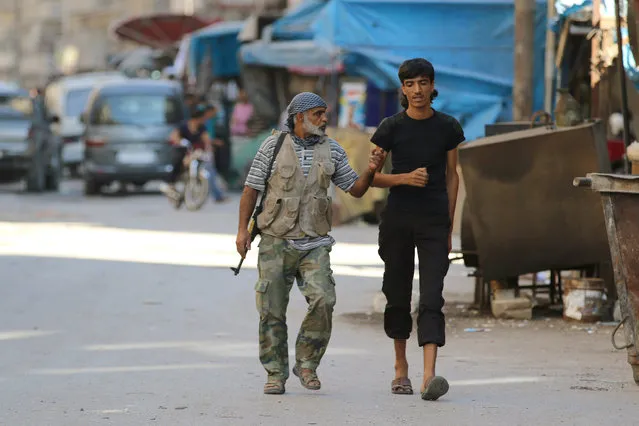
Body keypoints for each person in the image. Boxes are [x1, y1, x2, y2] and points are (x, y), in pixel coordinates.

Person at [236, 92, 384, 395]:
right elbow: (250, 189)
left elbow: (354, 189)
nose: (324, 119)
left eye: (324, 113)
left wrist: (371, 169)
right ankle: (275, 373)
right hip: (276, 241)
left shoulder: (333, 150)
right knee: (271, 309)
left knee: (324, 300)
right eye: (317, 113)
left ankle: (307, 363)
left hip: (315, 242)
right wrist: (242, 232)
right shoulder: (273, 146)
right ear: (298, 117)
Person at [369, 58, 465, 401]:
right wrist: (404, 178)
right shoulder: (389, 128)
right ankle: (400, 368)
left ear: (432, 86)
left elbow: (453, 176)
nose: (417, 91)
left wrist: (450, 222)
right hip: (398, 219)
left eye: (423, 83)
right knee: (397, 294)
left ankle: (428, 377)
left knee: (432, 296)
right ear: (403, 89)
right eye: (410, 84)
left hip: (434, 221)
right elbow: (370, 178)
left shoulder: (448, 127)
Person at [166, 104, 227, 203]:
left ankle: (215, 194)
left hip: (196, 153)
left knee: (208, 168)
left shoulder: (201, 128)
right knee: (178, 161)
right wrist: (182, 141)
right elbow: (173, 136)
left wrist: (209, 148)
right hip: (183, 151)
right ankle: (171, 183)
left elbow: (206, 140)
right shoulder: (184, 126)